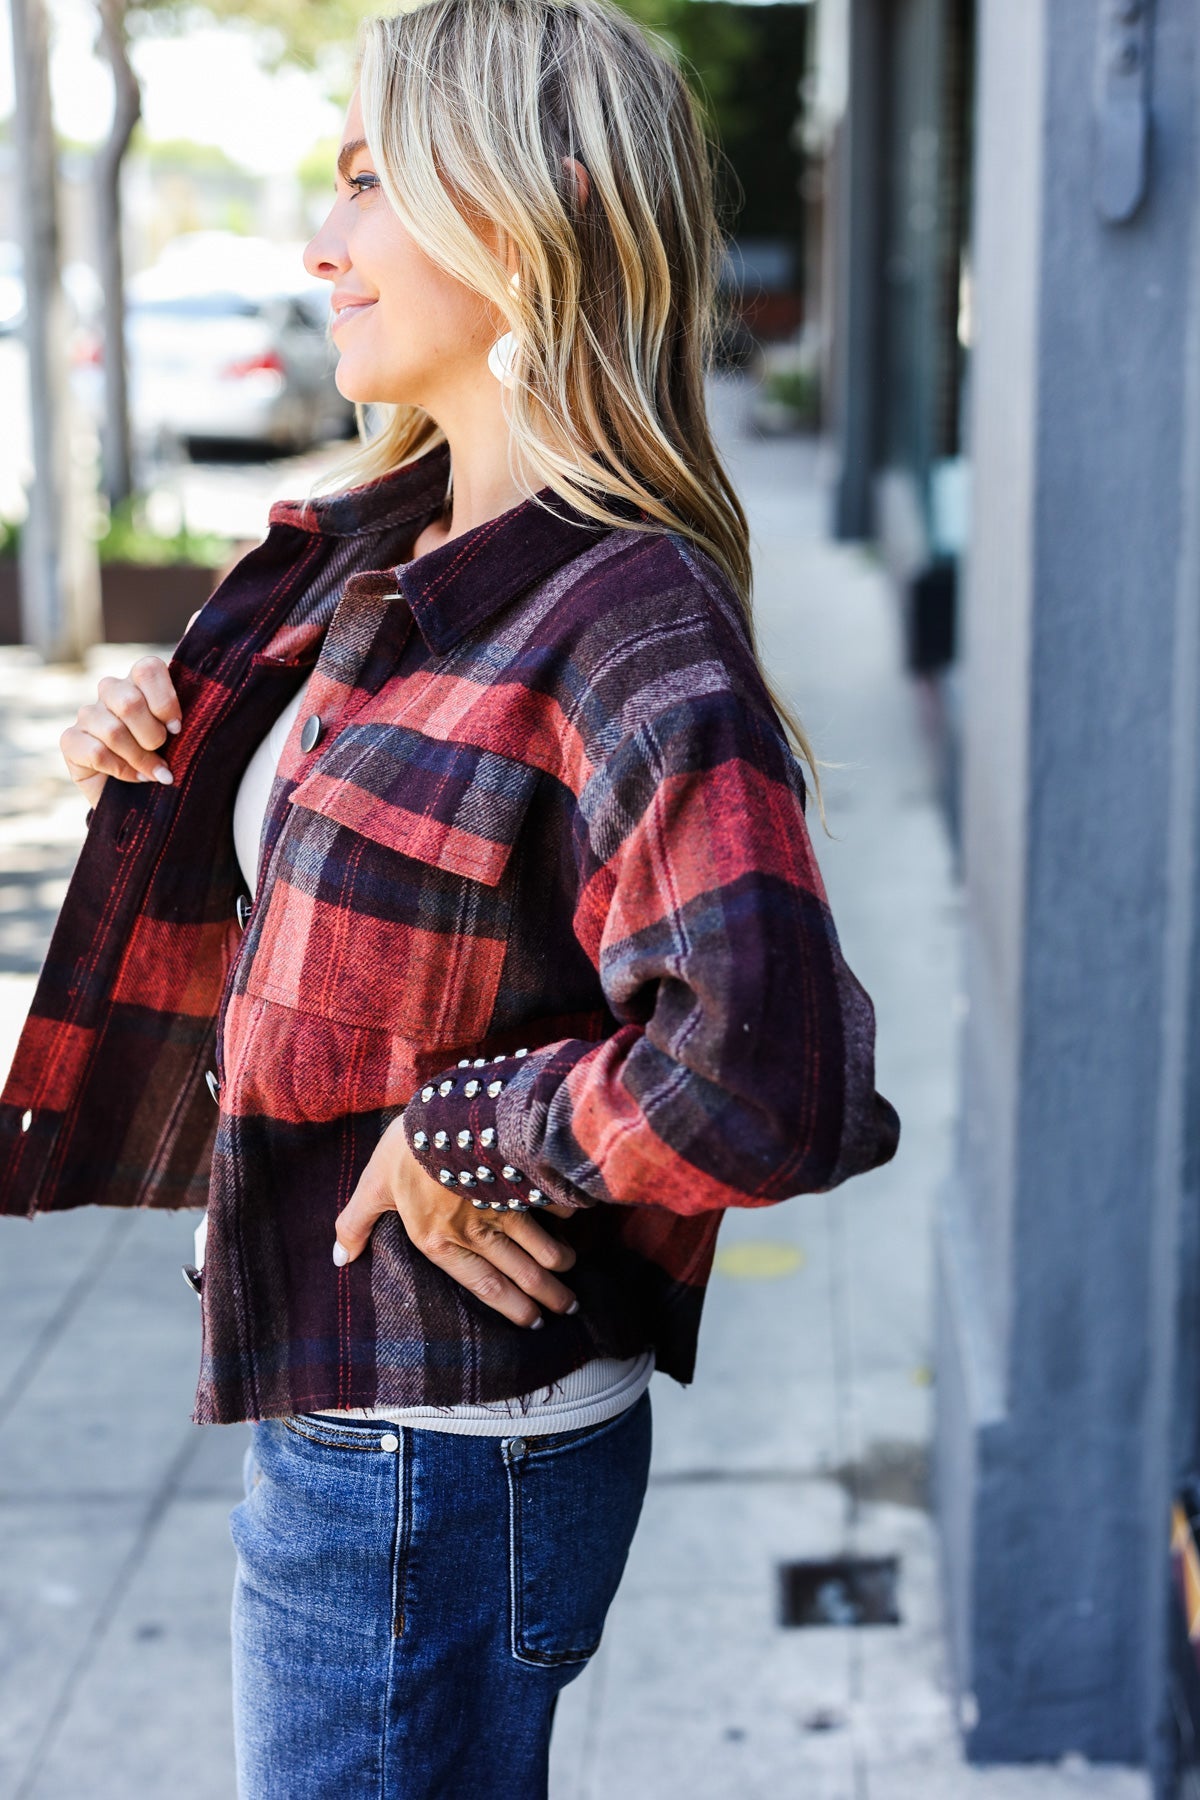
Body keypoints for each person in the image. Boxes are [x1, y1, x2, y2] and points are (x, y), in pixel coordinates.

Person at [0, 2, 900, 1794]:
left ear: (530, 207)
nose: (320, 241)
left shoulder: (626, 619)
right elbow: (411, 891)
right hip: (372, 1421)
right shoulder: (386, 555)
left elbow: (773, 1061)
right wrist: (178, 754)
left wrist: (475, 1132)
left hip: (428, 1458)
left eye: (366, 182)